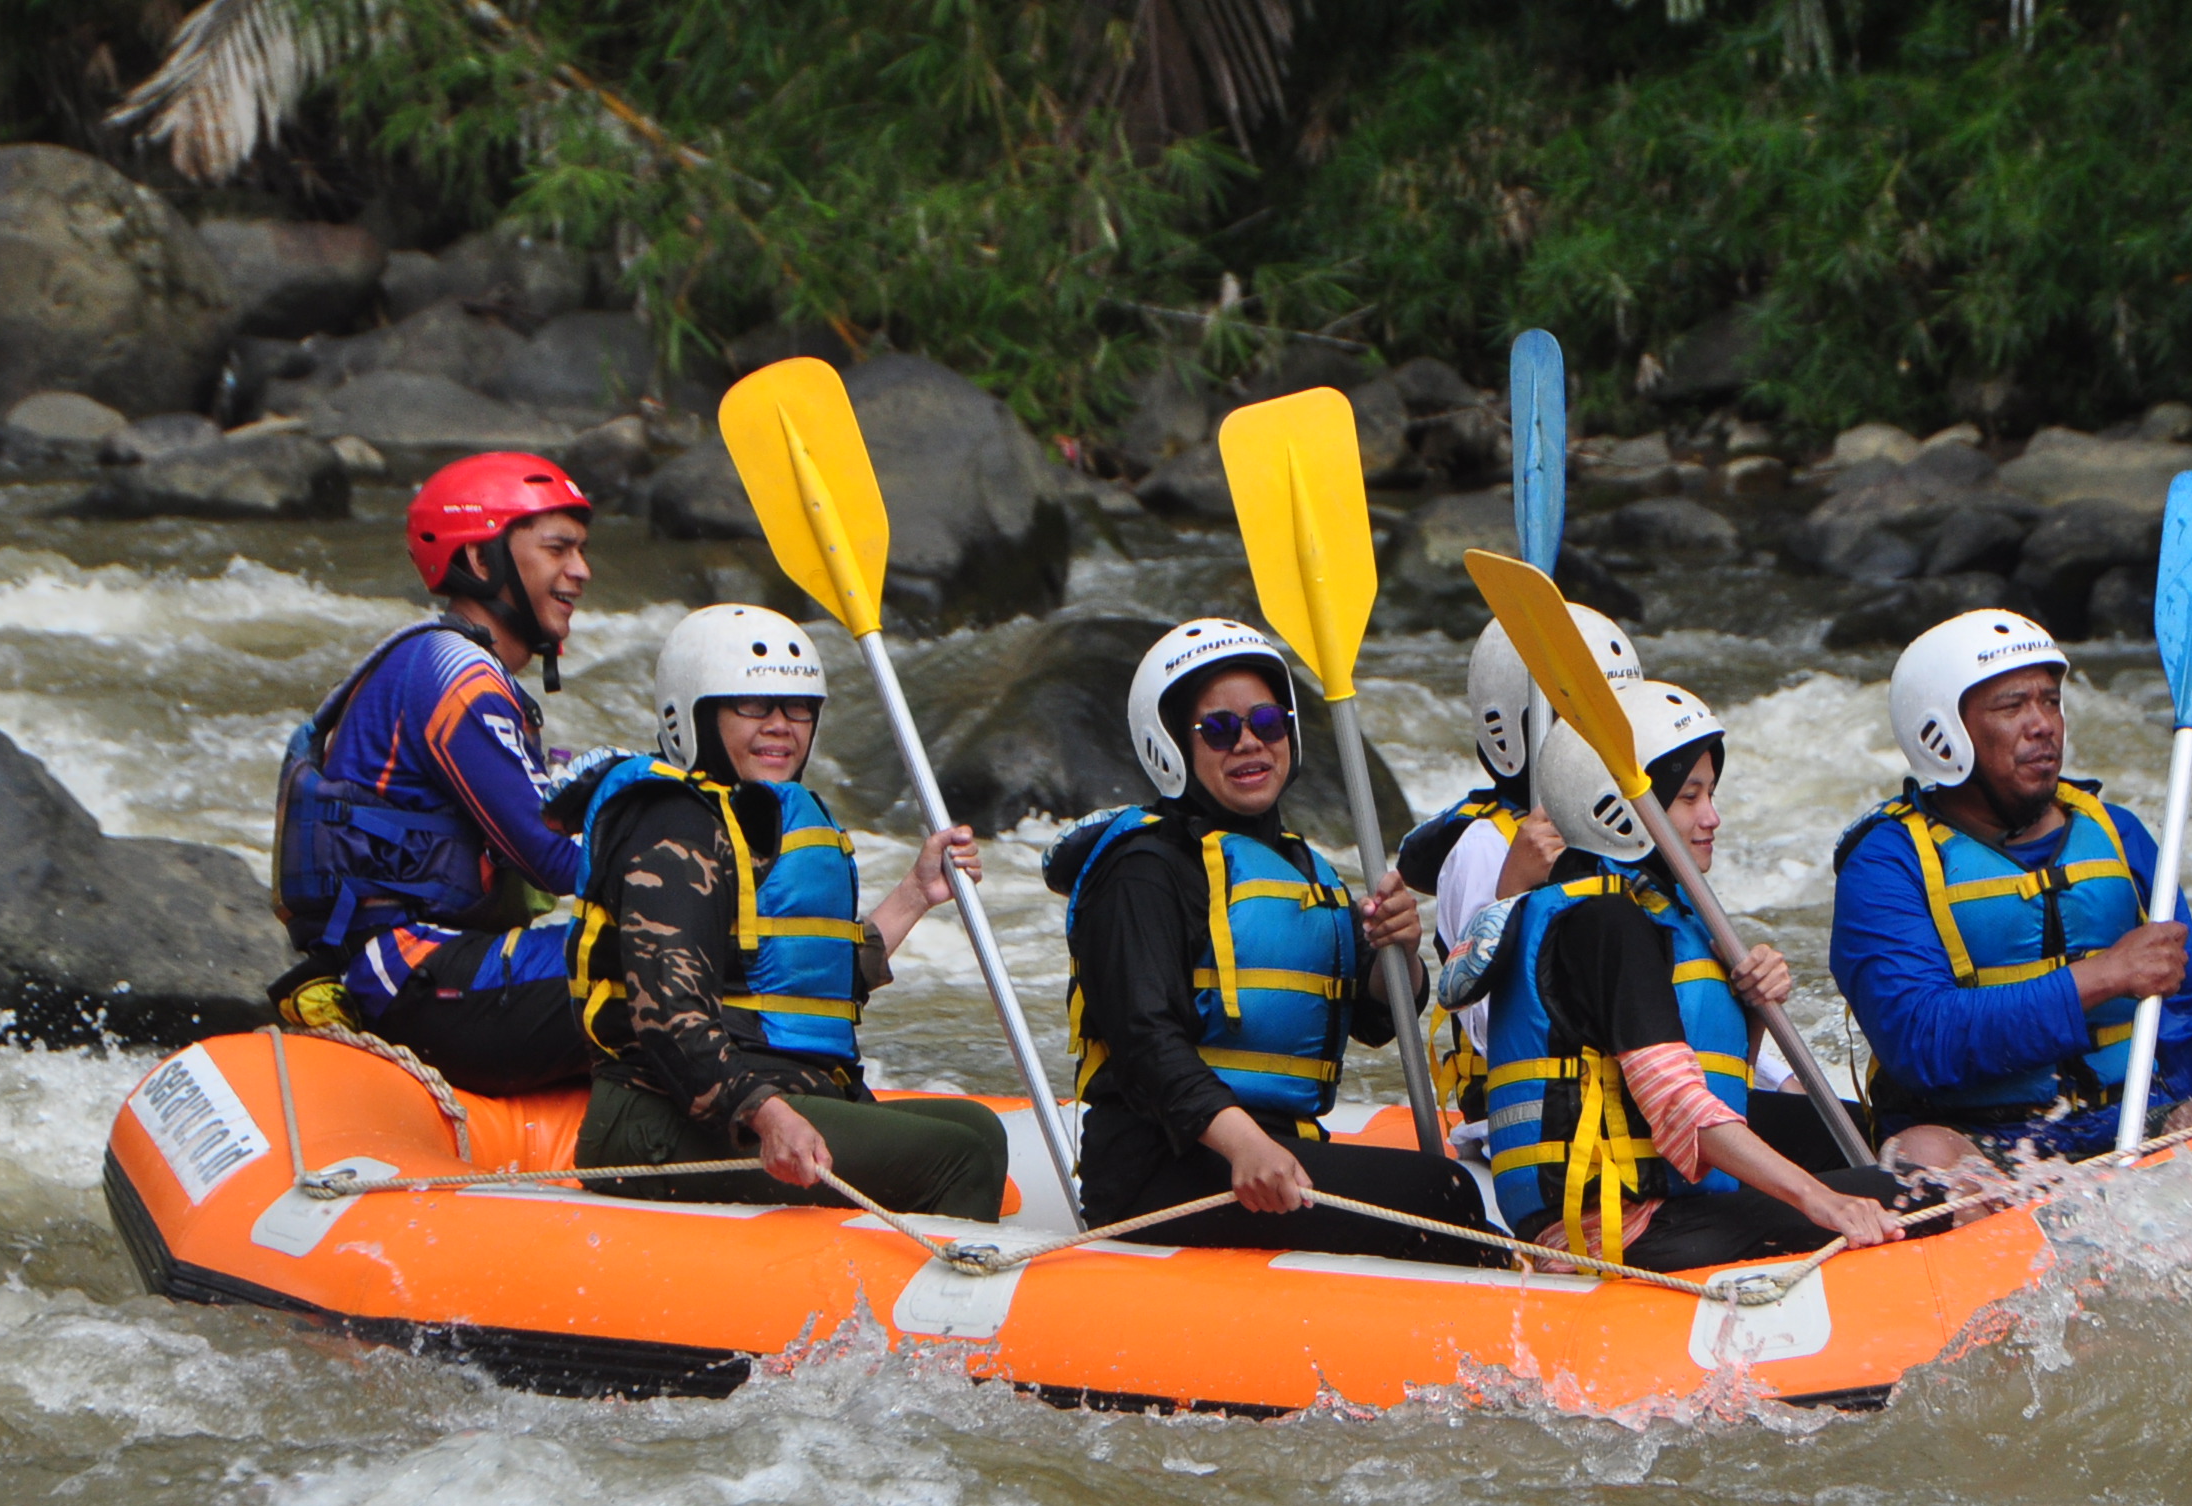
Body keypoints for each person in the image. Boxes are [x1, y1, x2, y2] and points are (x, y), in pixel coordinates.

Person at [1043, 617, 1502, 1263]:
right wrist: (1241, 1144)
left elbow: (1376, 1019)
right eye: (1221, 730)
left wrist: (1396, 951)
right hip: (1164, 1169)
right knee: (1440, 1192)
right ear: (1172, 743)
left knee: (1446, 1193)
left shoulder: (1302, 865)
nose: (1250, 744)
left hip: (1275, 1148)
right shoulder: (1142, 869)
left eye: (1266, 722)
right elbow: (1143, 1040)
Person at [554, 606, 1009, 1220]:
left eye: (797, 708)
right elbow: (668, 1014)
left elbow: (788, 984)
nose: (780, 727)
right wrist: (766, 1114)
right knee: (957, 1156)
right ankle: (934, 1314)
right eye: (752, 705)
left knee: (978, 1128)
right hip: (662, 1117)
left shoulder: (751, 817)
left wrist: (915, 894)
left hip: (765, 1090)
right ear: (691, 714)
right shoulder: (672, 824)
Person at [1449, 676, 1914, 1272]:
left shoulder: (1654, 914)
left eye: (1711, 793)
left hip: (1654, 1204)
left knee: (1859, 1145)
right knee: (1912, 1195)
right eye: (1689, 796)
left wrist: (1748, 1012)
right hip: (1612, 1232)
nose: (1712, 817)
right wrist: (1819, 1200)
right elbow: (1680, 1111)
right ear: (1616, 811)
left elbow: (1725, 1087)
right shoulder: (1602, 922)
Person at [1828, 608, 2192, 1172]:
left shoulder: (2117, 833)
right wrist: (2105, 976)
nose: (2043, 725)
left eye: (2051, 701)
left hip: (2136, 1122)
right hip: (1982, 1142)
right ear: (1940, 732)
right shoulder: (1887, 863)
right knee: (1923, 1155)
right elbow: (1922, 1042)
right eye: (2012, 706)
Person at [266, 453, 596, 1093]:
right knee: (673, 959)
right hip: (408, 972)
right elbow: (555, 859)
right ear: (480, 561)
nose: (581, 572)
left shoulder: (438, 659)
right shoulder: (455, 674)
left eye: (581, 551)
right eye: (558, 549)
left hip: (402, 962)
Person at [1393, 607, 1641, 1155]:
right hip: (1539, 1136)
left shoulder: (1633, 844)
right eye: (1580, 719)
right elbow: (1487, 1025)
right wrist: (1514, 891)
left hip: (1643, 1113)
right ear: (1509, 731)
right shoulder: (1484, 848)